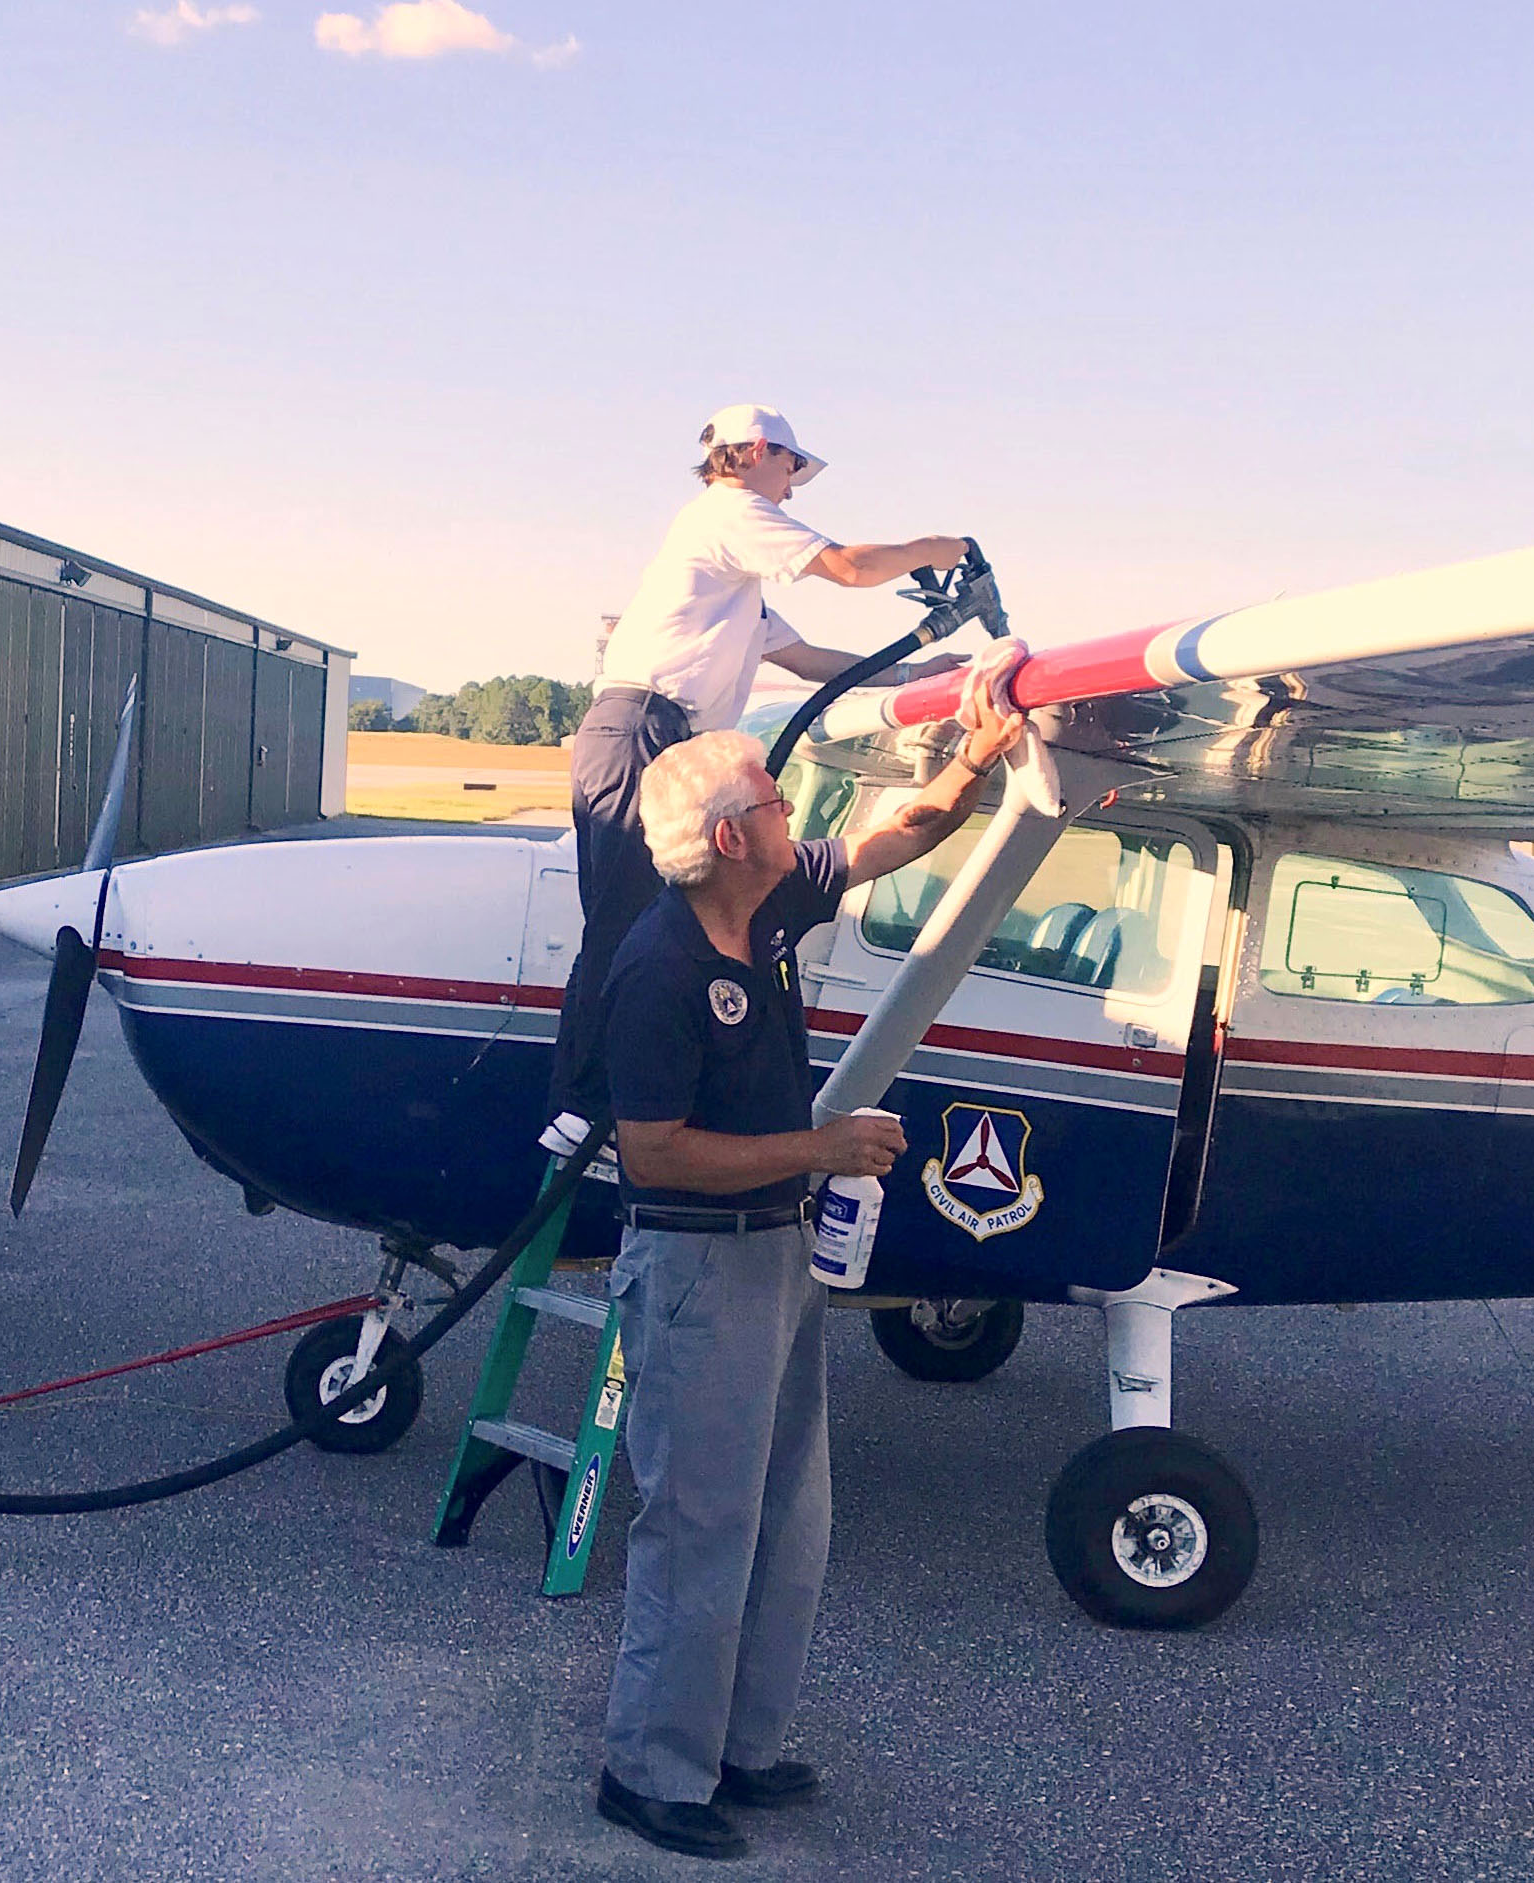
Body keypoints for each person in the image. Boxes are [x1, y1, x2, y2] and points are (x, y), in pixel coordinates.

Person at [591, 704, 1026, 1861]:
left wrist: (979, 751)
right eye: (778, 801)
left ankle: (739, 1743)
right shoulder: (660, 970)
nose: (800, 815)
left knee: (789, 1514)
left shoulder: (767, 902)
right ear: (731, 837)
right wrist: (818, 1148)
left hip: (774, 1255)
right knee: (696, 1522)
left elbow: (897, 833)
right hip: (695, 1266)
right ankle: (648, 1769)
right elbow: (654, 1152)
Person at [550, 402, 1023, 1128]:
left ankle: (605, 1109)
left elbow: (809, 663)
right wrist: (941, 545)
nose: (794, 486)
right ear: (757, 452)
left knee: (640, 921)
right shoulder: (727, 512)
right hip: (644, 729)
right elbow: (848, 567)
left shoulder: (728, 580)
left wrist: (919, 670)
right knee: (625, 925)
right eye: (792, 467)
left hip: (657, 732)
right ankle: (588, 1111)